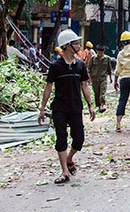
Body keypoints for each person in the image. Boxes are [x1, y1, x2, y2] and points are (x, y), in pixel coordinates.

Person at [38, 29, 96, 185]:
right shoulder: (56, 66)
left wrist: (90, 105)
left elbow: (84, 86)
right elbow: (48, 88)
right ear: (67, 46)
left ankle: (69, 158)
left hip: (76, 107)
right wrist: (42, 109)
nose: (78, 46)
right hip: (60, 108)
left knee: (79, 139)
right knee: (61, 138)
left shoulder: (80, 66)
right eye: (76, 43)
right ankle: (64, 171)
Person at [86, 44, 112, 113]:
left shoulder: (107, 59)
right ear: (97, 51)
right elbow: (89, 68)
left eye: (102, 52)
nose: (100, 53)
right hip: (95, 79)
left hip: (103, 78)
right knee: (96, 93)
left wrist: (111, 78)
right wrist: (88, 75)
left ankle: (101, 106)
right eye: (99, 52)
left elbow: (109, 69)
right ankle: (98, 106)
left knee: (102, 93)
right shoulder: (93, 58)